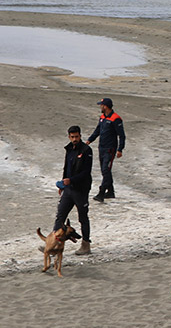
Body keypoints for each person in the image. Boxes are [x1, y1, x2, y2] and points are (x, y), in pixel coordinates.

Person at [53, 125, 93, 255]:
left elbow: (86, 172)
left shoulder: (87, 150)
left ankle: (86, 245)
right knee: (60, 216)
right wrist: (63, 185)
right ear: (69, 137)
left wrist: (72, 180)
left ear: (80, 136)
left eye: (76, 136)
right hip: (68, 189)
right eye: (72, 137)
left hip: (81, 190)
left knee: (83, 218)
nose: (75, 139)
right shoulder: (69, 149)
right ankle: (54, 244)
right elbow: (66, 168)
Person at [87, 97, 125, 202]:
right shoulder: (102, 117)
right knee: (105, 171)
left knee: (105, 170)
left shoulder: (116, 119)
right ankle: (111, 191)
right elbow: (97, 130)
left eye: (101, 105)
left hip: (110, 149)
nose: (100, 107)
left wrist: (120, 149)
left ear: (105, 106)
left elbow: (122, 135)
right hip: (102, 148)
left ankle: (102, 192)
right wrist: (89, 141)